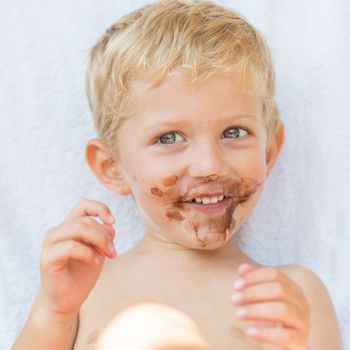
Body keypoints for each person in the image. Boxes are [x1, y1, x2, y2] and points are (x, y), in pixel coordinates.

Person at [12, 0, 344, 349]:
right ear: (112, 168)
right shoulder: (81, 290)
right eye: (168, 138)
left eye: (233, 133)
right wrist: (54, 313)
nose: (209, 166)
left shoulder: (292, 295)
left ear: (269, 151)